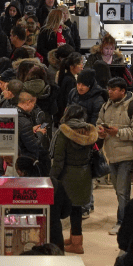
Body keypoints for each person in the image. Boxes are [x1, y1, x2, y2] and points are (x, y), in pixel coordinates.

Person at [96, 77, 133, 236]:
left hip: (128, 155)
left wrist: (118, 132)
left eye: (113, 89)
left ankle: (123, 222)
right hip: (111, 155)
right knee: (119, 190)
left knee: (122, 191)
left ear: (123, 91)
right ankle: (127, 219)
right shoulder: (106, 106)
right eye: (109, 89)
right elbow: (99, 123)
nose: (109, 92)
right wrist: (102, 132)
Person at [50, 105, 98, 254]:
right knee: (77, 209)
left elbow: (58, 159)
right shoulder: (89, 131)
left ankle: (77, 245)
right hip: (84, 174)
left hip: (67, 175)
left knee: (64, 209)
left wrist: (51, 178)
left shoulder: (63, 132)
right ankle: (75, 239)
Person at [16, 87, 44, 161]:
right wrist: (40, 133)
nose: (34, 106)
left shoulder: (11, 114)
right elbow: (33, 146)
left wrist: (30, 130)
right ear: (28, 102)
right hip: (24, 159)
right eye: (33, 104)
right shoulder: (25, 122)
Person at [57, 52, 83, 120]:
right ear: (71, 67)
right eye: (79, 64)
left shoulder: (68, 77)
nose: (81, 66)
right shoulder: (70, 80)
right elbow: (69, 99)